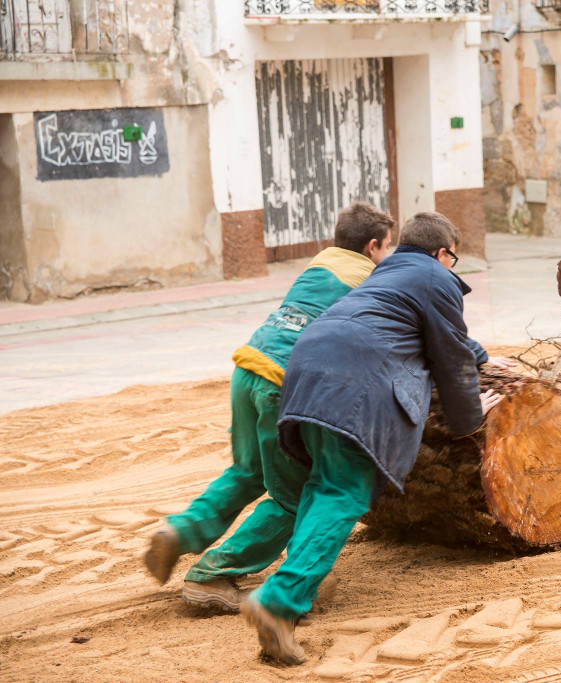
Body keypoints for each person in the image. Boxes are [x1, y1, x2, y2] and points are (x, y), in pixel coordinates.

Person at [239, 211, 503, 665]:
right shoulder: (435, 279)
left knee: (323, 484)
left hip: (306, 370)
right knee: (344, 491)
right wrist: (470, 427)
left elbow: (443, 338)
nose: (452, 269)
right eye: (453, 260)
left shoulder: (388, 273)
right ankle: (279, 601)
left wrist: (478, 354)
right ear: (442, 254)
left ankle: (297, 591)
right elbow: (452, 357)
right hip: (351, 382)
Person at [142, 202, 395, 613]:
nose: (389, 255)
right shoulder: (369, 279)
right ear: (371, 247)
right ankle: (214, 575)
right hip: (281, 385)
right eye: (388, 247)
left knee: (247, 471)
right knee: (293, 497)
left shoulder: (318, 266)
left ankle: (182, 531)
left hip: (248, 367)